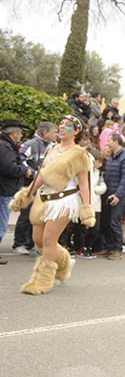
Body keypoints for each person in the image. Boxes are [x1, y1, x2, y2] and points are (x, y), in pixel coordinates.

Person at [9, 115, 93, 293]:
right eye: (61, 124)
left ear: (76, 131)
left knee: (49, 239)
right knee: (38, 240)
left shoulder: (79, 154)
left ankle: (42, 281)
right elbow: (41, 175)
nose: (62, 127)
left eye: (68, 125)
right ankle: (65, 262)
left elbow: (84, 184)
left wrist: (87, 209)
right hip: (44, 198)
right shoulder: (51, 149)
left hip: (64, 200)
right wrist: (27, 195)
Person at [13, 121, 58, 255]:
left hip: (44, 187)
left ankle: (31, 243)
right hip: (30, 185)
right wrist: (32, 173)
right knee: (26, 215)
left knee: (37, 216)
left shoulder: (52, 146)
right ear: (45, 133)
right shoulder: (31, 144)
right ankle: (19, 243)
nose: (56, 134)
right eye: (54, 132)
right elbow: (20, 159)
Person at [0, 119, 36, 264]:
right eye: (21, 132)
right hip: (4, 190)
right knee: (1, 224)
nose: (21, 135)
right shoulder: (5, 147)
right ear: (14, 132)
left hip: (4, 188)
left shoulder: (6, 145)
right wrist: (25, 171)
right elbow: (9, 168)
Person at [94, 134, 125, 260]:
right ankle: (108, 247)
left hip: (119, 196)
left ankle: (117, 249)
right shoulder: (111, 156)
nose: (107, 143)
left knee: (114, 222)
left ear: (116, 142)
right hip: (107, 193)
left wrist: (118, 195)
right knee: (105, 222)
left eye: (109, 140)